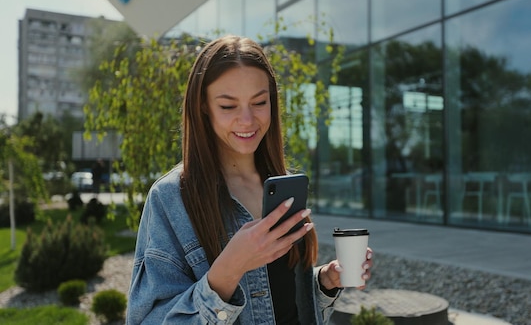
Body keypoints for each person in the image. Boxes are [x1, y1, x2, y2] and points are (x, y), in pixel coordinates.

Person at [126, 35, 373, 324]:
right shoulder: (171, 198)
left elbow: (280, 299)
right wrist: (229, 268)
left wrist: (325, 282)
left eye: (259, 102)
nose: (247, 120)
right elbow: (149, 319)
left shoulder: (281, 186)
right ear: (203, 106)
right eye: (228, 106)